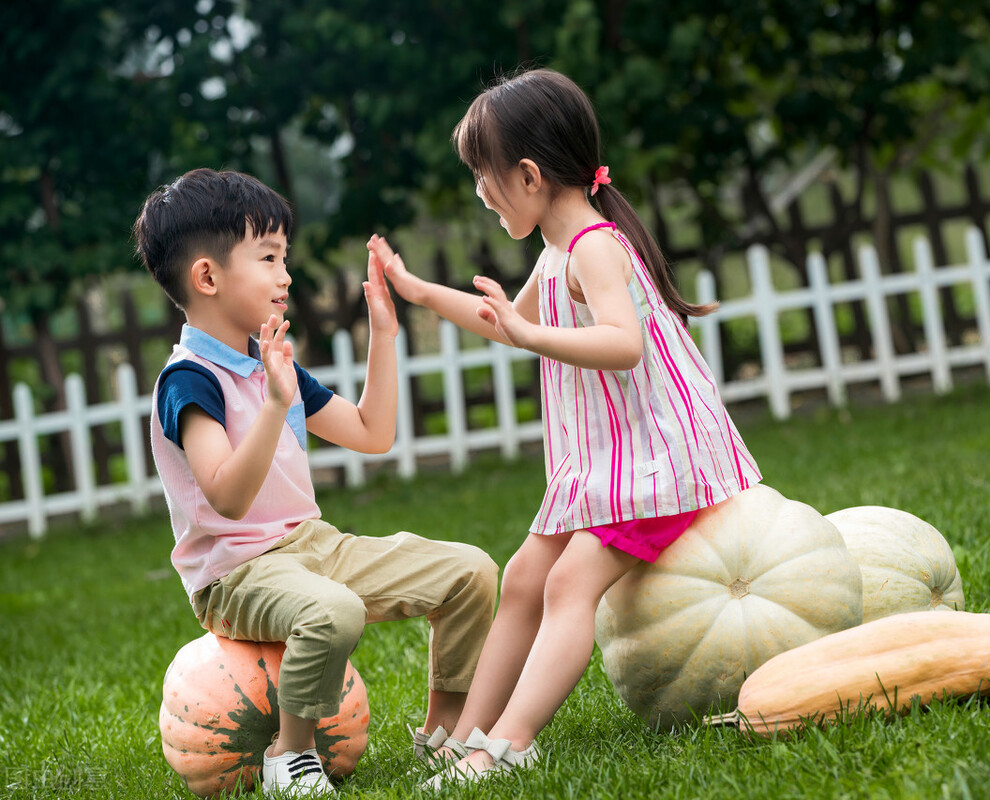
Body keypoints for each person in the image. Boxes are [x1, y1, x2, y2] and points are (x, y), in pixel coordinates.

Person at [367, 68, 762, 786]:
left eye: (483, 177)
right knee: (522, 578)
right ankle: (463, 737)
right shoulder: (557, 250)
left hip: (658, 464)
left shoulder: (594, 246)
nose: (480, 193)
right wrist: (420, 292)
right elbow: (504, 324)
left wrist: (530, 332)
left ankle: (508, 744)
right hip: (608, 463)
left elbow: (623, 342)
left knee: (567, 586)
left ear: (526, 174)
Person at [134, 168, 498, 797]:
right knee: (334, 612)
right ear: (208, 277)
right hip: (237, 574)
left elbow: (370, 432)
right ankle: (290, 754)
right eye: (269, 258)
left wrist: (383, 333)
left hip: (313, 547)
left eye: (285, 257)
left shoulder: (269, 362)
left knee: (470, 572)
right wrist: (275, 405)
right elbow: (225, 495)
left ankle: (445, 732)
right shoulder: (189, 381)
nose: (286, 275)